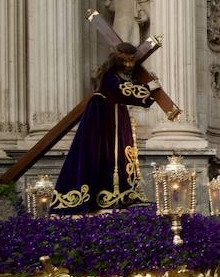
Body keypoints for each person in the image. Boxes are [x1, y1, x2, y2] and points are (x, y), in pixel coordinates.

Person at [52, 42, 160, 215]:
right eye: (126, 61)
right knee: (101, 153)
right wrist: (148, 88)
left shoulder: (123, 77)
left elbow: (137, 97)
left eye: (132, 62)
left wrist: (149, 88)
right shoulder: (109, 75)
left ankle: (122, 194)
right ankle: (99, 196)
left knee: (121, 154)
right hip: (101, 118)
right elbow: (121, 91)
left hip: (117, 116)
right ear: (118, 60)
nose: (129, 65)